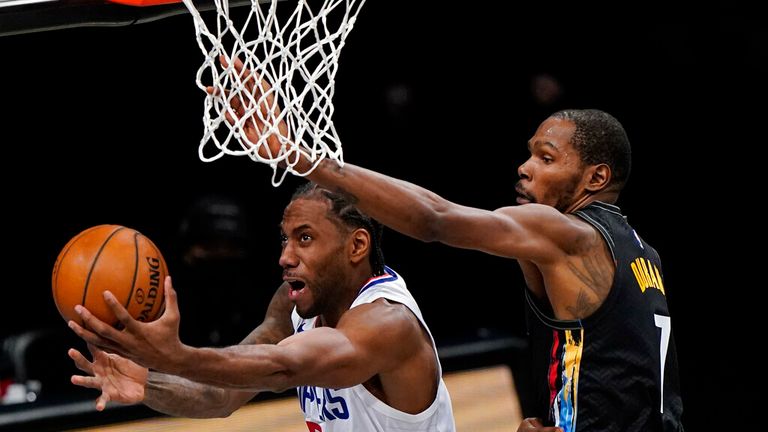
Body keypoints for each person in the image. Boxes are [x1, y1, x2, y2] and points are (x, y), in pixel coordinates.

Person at [223, 67, 683, 431]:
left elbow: (433, 220)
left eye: (546, 158)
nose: (524, 168)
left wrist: (298, 156)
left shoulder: (568, 233)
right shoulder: (643, 255)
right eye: (529, 153)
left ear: (595, 179)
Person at [67, 182, 457, 432]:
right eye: (284, 239)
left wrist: (173, 357)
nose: (285, 256)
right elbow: (218, 396)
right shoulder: (292, 303)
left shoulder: (388, 323)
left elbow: (281, 368)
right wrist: (146, 382)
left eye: (305, 238)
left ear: (356, 246)